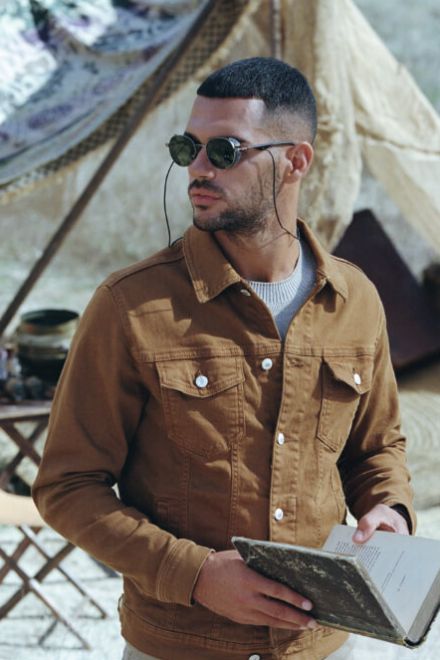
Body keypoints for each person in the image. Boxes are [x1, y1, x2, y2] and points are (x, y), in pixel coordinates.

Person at [33, 57, 415, 660]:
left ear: (296, 161)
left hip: (322, 644)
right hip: (181, 646)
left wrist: (388, 511)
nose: (199, 169)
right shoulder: (130, 306)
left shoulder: (355, 300)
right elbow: (68, 486)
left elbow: (376, 449)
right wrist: (196, 574)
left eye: (225, 150)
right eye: (188, 148)